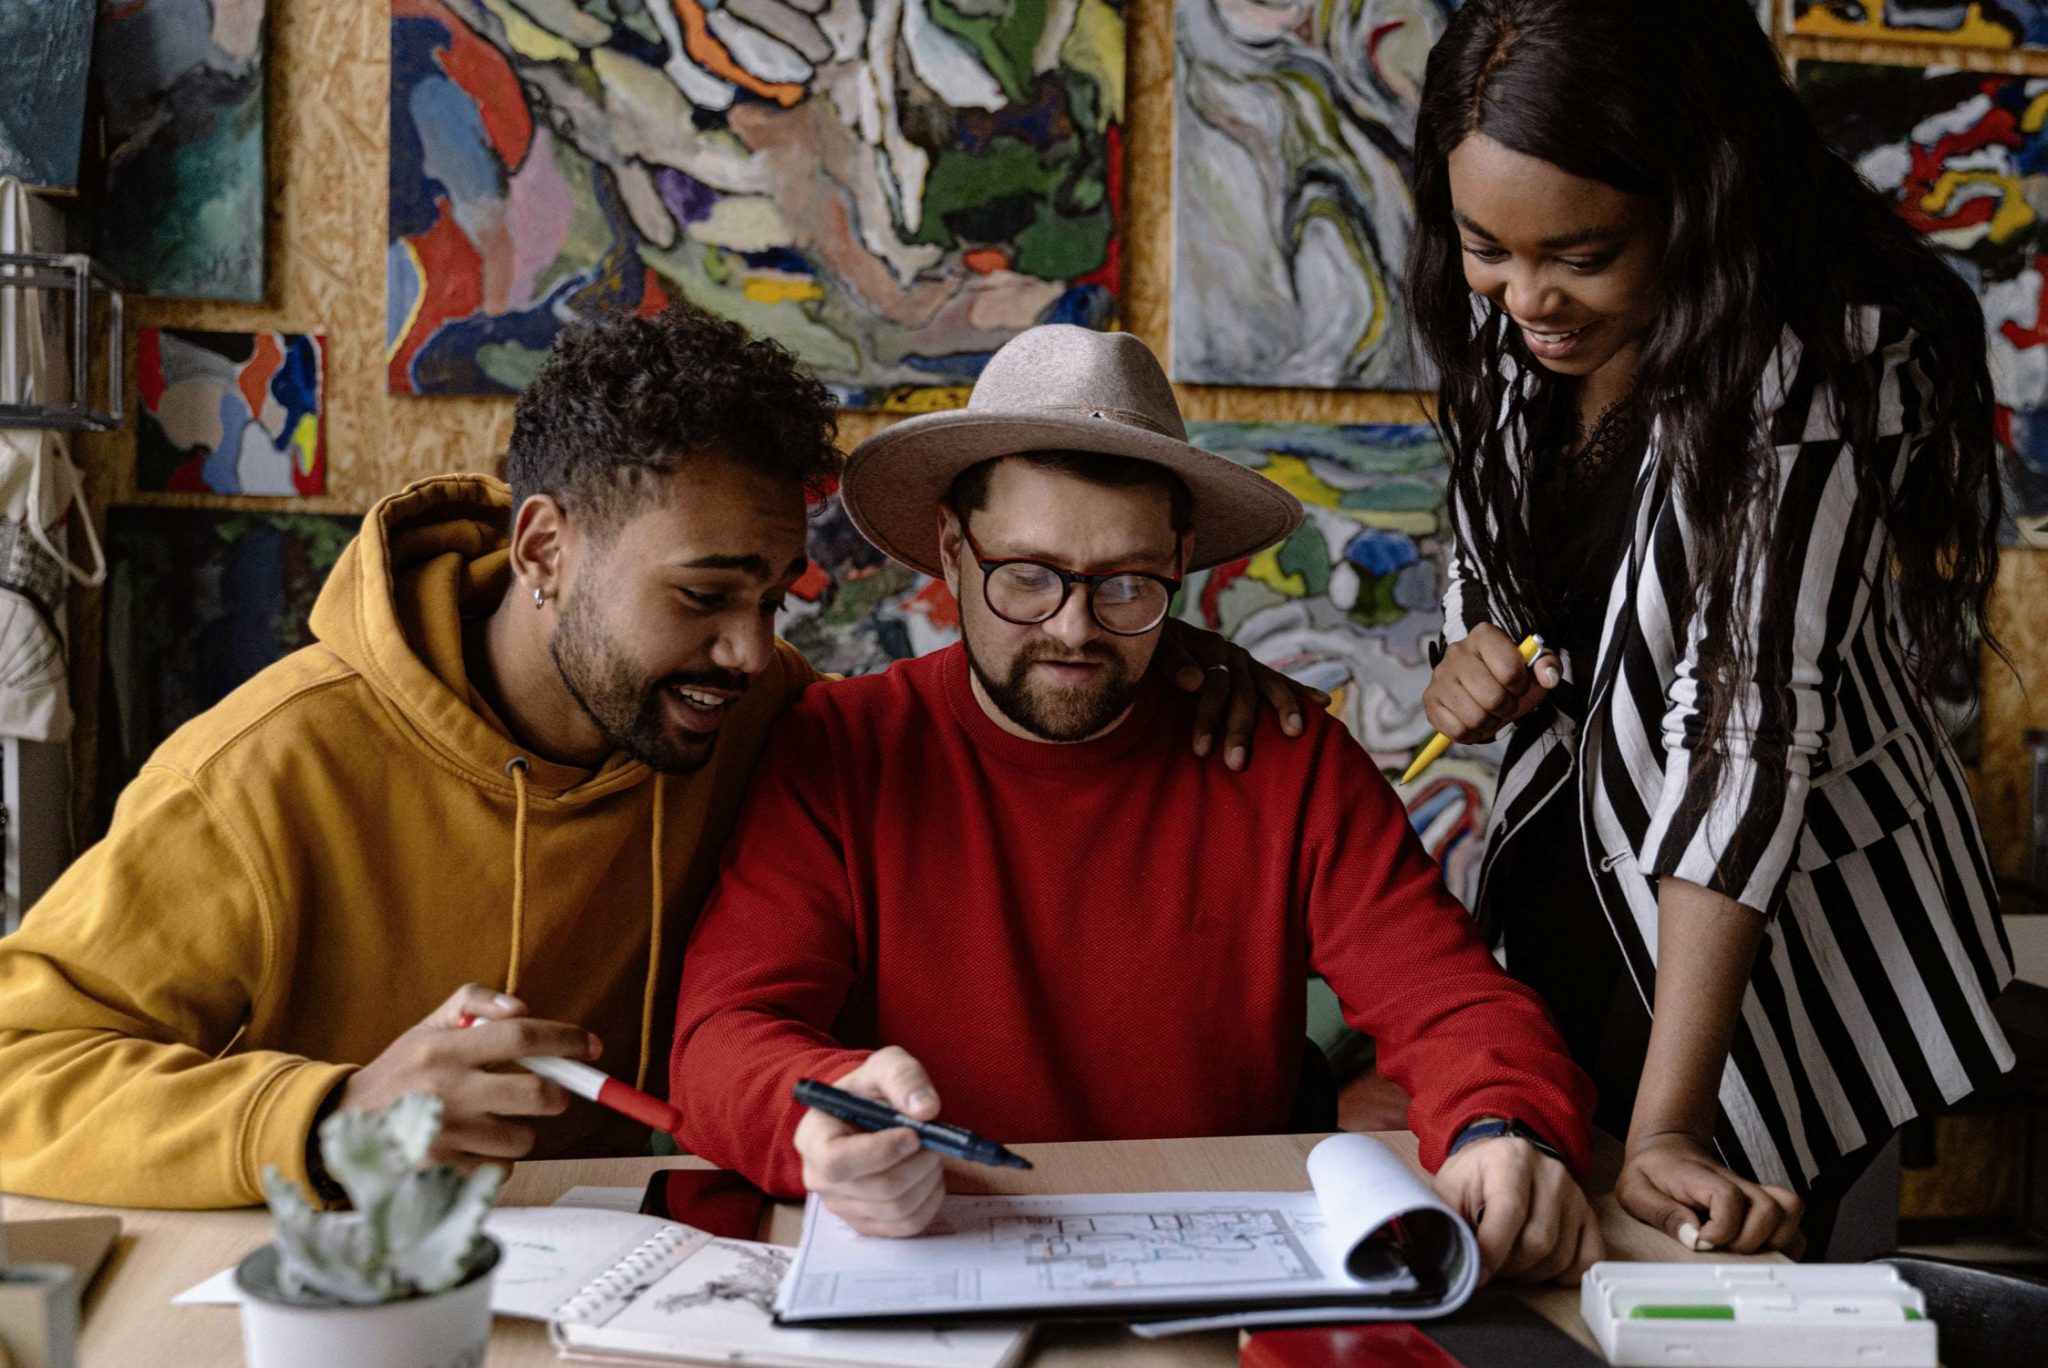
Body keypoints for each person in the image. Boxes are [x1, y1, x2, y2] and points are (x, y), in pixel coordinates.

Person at [0, 305, 1299, 1209]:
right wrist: (334, 1116)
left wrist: (1164, 659)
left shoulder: (761, 717)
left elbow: (1002, 698)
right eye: (703, 595)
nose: (750, 650)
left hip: (667, 1287)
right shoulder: (264, 770)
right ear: (545, 549)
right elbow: (19, 1068)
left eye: (773, 598)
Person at [672, 325, 1604, 1286]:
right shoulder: (836, 751)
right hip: (925, 1263)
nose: (1074, 628)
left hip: (1222, 1277)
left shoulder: (1286, 760)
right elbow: (722, 1036)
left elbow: (1450, 999)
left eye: (1126, 584)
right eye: (1026, 577)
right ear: (953, 550)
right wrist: (819, 1119)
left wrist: (1502, 1126)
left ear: (1181, 560)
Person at [1407, 0, 2014, 1258]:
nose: (1527, 296)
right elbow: (1496, 532)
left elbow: (1744, 731)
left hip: (1769, 934)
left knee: (1712, 1281)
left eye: (1580, 254)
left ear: (1697, 198)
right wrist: (1473, 635)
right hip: (1577, 869)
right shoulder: (1520, 308)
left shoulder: (1821, 361)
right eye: (1483, 248)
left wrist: (1671, 1120)